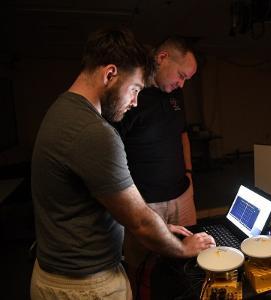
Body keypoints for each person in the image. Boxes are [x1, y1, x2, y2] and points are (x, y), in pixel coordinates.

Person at [30, 28, 214, 300]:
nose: (135, 101)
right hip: (86, 287)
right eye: (136, 89)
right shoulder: (95, 133)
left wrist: (163, 228)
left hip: (59, 273)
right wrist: (184, 249)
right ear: (110, 74)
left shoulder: (63, 108)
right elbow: (139, 221)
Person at [113, 37, 198, 295]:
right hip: (146, 201)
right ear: (162, 58)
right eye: (181, 75)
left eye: (186, 80)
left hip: (182, 195)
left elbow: (182, 135)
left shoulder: (177, 94)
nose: (181, 83)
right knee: (142, 266)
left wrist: (189, 173)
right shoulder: (131, 92)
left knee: (188, 259)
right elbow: (113, 147)